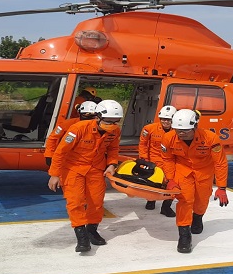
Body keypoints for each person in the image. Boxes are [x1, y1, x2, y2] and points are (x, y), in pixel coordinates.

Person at [47, 99, 123, 253]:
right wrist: (55, 174)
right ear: (98, 117)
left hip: (96, 169)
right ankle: (81, 236)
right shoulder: (78, 129)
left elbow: (113, 149)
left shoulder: (114, 131)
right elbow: (61, 152)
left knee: (96, 202)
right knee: (75, 202)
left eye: (116, 122)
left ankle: (92, 230)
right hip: (73, 169)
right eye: (109, 121)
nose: (112, 125)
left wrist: (111, 164)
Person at [160, 109, 229, 253]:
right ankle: (184, 235)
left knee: (202, 200)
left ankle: (197, 217)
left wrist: (222, 187)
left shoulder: (210, 138)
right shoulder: (168, 138)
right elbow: (167, 159)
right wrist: (170, 179)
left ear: (195, 127)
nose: (181, 133)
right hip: (182, 171)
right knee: (185, 200)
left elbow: (220, 163)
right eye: (178, 130)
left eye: (185, 130)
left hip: (204, 172)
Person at [140, 105, 177, 217]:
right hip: (154, 161)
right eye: (163, 119)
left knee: (172, 184)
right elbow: (143, 144)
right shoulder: (149, 129)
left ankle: (166, 207)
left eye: (169, 119)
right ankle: (151, 200)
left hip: (170, 162)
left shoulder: (178, 131)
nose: (166, 122)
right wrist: (144, 160)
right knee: (152, 183)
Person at [44, 100, 98, 167]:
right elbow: (53, 138)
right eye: (86, 115)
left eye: (92, 116)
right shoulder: (66, 124)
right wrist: (49, 155)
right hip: (66, 158)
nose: (89, 119)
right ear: (79, 113)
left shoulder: (101, 128)